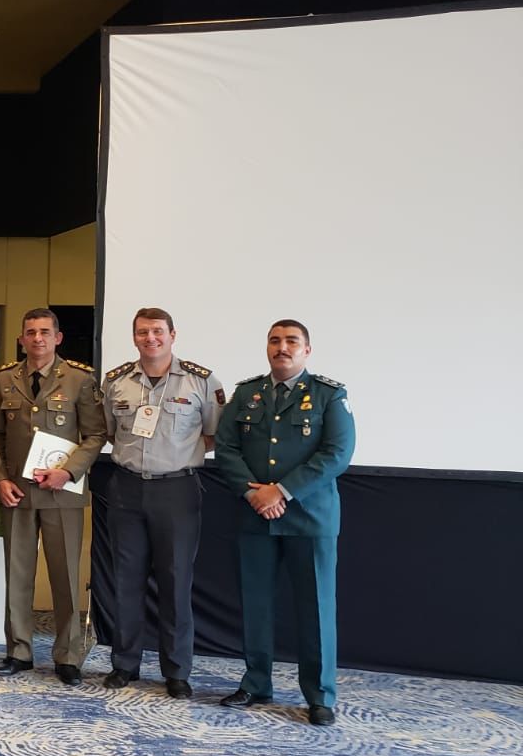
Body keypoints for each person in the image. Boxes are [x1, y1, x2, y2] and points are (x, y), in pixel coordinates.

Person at [215, 319, 355, 727]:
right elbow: (226, 448)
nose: (282, 347)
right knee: (256, 606)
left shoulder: (329, 394)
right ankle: (256, 683)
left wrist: (281, 491)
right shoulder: (247, 394)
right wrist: (253, 494)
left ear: (306, 350)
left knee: (316, 609)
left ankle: (320, 696)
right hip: (255, 515)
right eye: (275, 340)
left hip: (310, 519)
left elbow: (337, 453)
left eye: (292, 341)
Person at [99, 307, 224, 697]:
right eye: (142, 332)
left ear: (173, 335)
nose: (150, 338)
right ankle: (125, 664)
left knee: (175, 581)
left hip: (177, 490)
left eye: (157, 331)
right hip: (127, 487)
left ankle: (177, 670)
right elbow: (109, 431)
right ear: (134, 337)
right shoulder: (116, 381)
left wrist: (176, 453)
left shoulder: (201, 381)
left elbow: (213, 433)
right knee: (126, 580)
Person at [0, 307, 105, 685]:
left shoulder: (80, 379)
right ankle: (18, 651)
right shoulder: (3, 379)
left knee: (65, 575)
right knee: (17, 573)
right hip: (17, 491)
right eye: (31, 332)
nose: (37, 338)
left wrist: (68, 471)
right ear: (22, 339)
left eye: (44, 332)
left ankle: (68, 656)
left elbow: (95, 435)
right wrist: (0, 479)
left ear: (58, 338)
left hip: (61, 492)